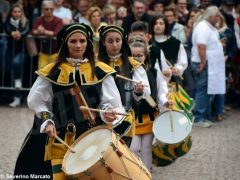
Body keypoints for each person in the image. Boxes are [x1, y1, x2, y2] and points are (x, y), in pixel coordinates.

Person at [14, 22, 127, 179]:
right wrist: (48, 121)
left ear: (88, 43)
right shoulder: (52, 71)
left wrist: (108, 113)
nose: (78, 45)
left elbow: (109, 103)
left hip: (91, 141)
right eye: (73, 41)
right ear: (65, 44)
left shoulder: (101, 70)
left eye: (82, 41)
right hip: (59, 138)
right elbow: (37, 101)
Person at [98, 25, 151, 146]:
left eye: (118, 40)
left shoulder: (133, 65)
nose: (115, 45)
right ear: (103, 43)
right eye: (110, 41)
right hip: (100, 120)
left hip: (125, 119)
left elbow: (147, 92)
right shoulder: (95, 65)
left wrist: (139, 91)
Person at [129, 37, 171, 170]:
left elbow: (161, 91)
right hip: (133, 118)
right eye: (133, 55)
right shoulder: (127, 74)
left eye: (139, 55)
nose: (136, 58)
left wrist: (165, 102)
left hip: (149, 116)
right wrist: (136, 92)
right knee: (133, 149)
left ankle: (146, 175)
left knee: (147, 149)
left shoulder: (153, 72)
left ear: (146, 56)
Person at [191, 6, 225, 127]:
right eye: (216, 15)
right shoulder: (203, 27)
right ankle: (199, 118)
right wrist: (203, 62)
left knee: (208, 91)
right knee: (203, 91)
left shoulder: (208, 27)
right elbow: (201, 46)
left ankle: (205, 116)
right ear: (210, 16)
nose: (218, 18)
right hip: (202, 63)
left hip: (208, 63)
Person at [4, 3, 30, 107]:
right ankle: (15, 95)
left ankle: (17, 96)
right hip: (10, 50)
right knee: (10, 69)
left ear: (21, 12)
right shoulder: (8, 21)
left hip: (22, 51)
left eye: (19, 12)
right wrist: (11, 33)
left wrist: (20, 34)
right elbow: (6, 29)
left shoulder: (25, 21)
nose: (17, 14)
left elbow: (27, 30)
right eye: (15, 11)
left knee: (16, 64)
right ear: (11, 12)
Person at [31, 0, 63, 69]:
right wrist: (38, 31)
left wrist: (43, 31)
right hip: (43, 53)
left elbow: (57, 33)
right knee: (42, 74)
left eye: (51, 9)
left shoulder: (58, 20)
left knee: (54, 74)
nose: (49, 11)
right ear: (42, 10)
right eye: (47, 9)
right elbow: (33, 31)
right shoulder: (39, 19)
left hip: (55, 53)